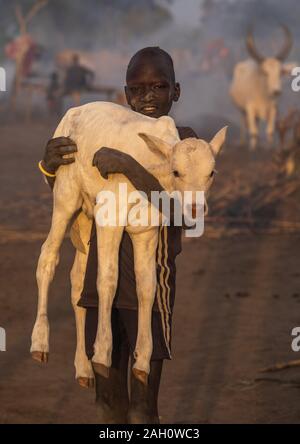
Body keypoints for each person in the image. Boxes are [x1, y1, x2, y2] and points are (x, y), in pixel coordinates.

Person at [40, 47, 198, 424]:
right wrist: (50, 167)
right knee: (108, 402)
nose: (147, 96)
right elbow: (75, 199)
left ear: (176, 92)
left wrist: (129, 166)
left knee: (143, 408)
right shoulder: (106, 136)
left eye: (159, 86)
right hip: (99, 286)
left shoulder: (185, 144)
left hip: (150, 291)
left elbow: (188, 215)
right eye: (137, 88)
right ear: (124, 96)